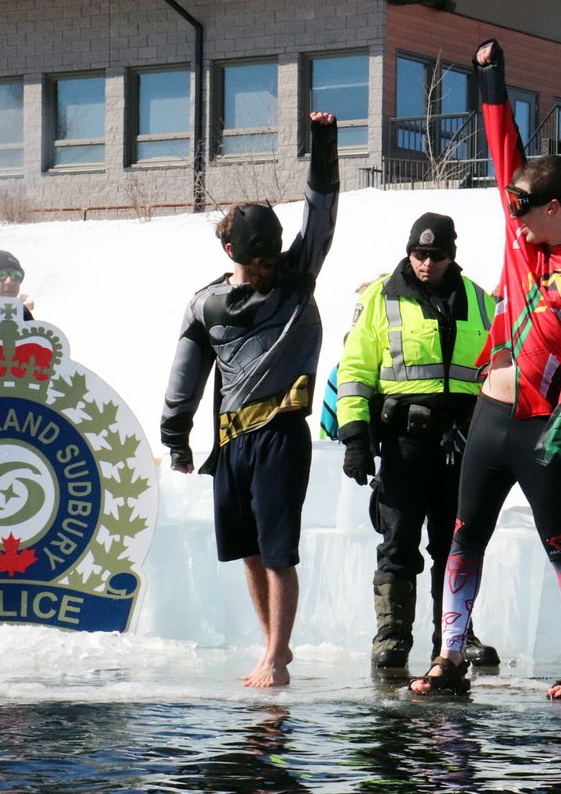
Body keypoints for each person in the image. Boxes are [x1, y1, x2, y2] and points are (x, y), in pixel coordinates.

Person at [409, 39, 561, 699]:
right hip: (491, 417)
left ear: (554, 208)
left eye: (524, 211)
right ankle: (450, 653)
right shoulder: (521, 234)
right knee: (463, 534)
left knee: (560, 541)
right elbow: (505, 147)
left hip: (543, 427)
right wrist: (489, 76)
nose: (515, 220)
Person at [161, 111, 339, 689]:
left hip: (281, 433)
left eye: (271, 260)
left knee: (279, 549)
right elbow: (183, 376)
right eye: (256, 261)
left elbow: (323, 211)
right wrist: (175, 436)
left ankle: (278, 655)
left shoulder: (296, 280)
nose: (265, 270)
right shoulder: (205, 304)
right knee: (249, 552)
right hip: (232, 440)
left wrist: (323, 142)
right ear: (233, 251)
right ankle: (269, 647)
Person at [336, 212, 499, 671]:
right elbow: (354, 372)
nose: (426, 262)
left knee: (457, 547)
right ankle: (391, 636)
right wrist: (354, 437)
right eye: (419, 253)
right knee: (399, 543)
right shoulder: (381, 298)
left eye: (436, 255)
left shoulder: (481, 302)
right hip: (405, 442)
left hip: (463, 444)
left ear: (452, 255)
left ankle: (456, 635)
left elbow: (500, 372)